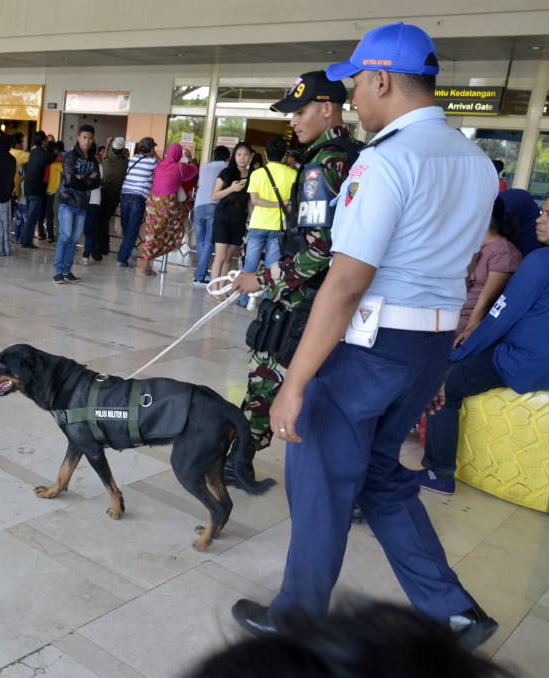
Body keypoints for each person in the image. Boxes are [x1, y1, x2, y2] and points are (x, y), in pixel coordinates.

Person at [232, 22, 501, 651]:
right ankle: (453, 611)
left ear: (382, 78)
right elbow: (460, 270)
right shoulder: (477, 163)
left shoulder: (386, 160)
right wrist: (432, 369)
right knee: (381, 476)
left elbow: (347, 282)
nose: (354, 97)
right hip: (428, 345)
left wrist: (293, 382)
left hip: (369, 347)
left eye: (356, 84)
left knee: (320, 476)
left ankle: (297, 618)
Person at [231, 70, 357, 458]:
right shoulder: (356, 153)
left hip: (307, 299)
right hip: (338, 299)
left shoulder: (324, 164)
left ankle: (237, 459)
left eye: (300, 112)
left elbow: (319, 249)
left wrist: (262, 280)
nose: (293, 120)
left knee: (266, 375)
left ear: (327, 109)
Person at [419, 197, 548, 494]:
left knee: (442, 386)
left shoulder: (539, 262)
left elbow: (502, 315)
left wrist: (459, 353)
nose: (539, 219)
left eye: (548, 214)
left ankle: (438, 472)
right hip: (535, 357)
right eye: (541, 213)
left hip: (525, 361)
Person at [186, 601, 515, 678]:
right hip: (384, 419)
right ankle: (456, 608)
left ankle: (287, 615)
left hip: (336, 419)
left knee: (318, 492)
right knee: (385, 488)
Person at [453, 196, 522, 348]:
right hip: (451, 311)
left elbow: (486, 301)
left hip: (467, 318)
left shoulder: (504, 252)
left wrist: (467, 334)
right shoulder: (467, 243)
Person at [239, 137, 297, 303]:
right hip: (279, 226)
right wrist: (281, 205)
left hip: (257, 224)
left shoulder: (257, 174)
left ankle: (242, 299)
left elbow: (255, 201)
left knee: (250, 263)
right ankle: (266, 302)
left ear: (265, 153)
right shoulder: (293, 174)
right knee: (272, 268)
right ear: (285, 154)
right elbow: (292, 205)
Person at [140, 142, 197, 276]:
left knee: (151, 231)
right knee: (180, 217)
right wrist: (190, 159)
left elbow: (164, 163)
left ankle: (147, 264)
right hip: (167, 202)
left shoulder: (159, 165)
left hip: (153, 200)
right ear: (179, 154)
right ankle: (169, 244)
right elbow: (194, 170)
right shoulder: (181, 167)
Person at [53, 124, 101, 283]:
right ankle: (58, 271)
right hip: (68, 201)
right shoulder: (71, 156)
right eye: (84, 138)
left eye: (90, 138)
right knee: (65, 236)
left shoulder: (94, 160)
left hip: (83, 204)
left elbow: (97, 184)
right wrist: (87, 179)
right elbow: (70, 180)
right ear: (79, 138)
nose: (87, 141)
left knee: (74, 239)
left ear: (93, 140)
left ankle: (67, 271)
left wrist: (82, 178)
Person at [208, 141, 252, 292]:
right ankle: (214, 290)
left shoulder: (252, 175)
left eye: (245, 155)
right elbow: (214, 195)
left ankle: (222, 289)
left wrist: (250, 219)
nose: (242, 158)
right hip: (223, 219)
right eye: (239, 155)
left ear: (250, 156)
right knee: (220, 256)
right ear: (234, 156)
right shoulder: (226, 173)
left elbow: (250, 201)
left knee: (228, 257)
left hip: (239, 220)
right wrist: (232, 188)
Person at [116, 137, 158, 267]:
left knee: (126, 227)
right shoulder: (153, 162)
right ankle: (121, 259)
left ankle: (132, 249)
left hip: (124, 196)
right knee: (132, 230)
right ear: (151, 149)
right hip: (137, 198)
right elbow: (161, 164)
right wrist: (153, 152)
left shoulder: (133, 158)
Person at [191, 146, 230, 285]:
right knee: (209, 242)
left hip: (198, 205)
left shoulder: (204, 166)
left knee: (200, 241)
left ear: (214, 156)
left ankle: (202, 274)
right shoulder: (228, 166)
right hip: (213, 206)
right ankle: (199, 275)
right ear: (228, 157)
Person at [20, 131, 54, 247]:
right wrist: (52, 147)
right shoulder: (44, 154)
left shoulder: (33, 152)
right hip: (37, 190)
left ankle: (26, 240)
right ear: (44, 141)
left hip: (28, 188)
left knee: (30, 215)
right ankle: (26, 242)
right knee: (32, 217)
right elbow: (56, 157)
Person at [97, 137, 128, 260]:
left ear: (113, 149)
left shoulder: (106, 162)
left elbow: (104, 156)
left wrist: (107, 143)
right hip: (114, 196)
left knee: (100, 222)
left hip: (102, 194)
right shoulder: (125, 163)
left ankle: (101, 248)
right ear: (123, 151)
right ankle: (105, 247)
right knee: (105, 222)